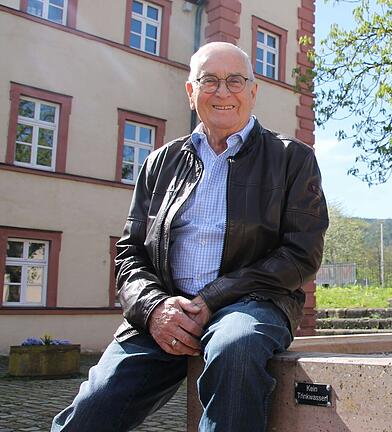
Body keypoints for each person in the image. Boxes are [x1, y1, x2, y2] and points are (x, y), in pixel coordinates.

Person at [52, 42, 328, 431]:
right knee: (94, 407)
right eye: (209, 81)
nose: (222, 92)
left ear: (253, 91)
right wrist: (154, 308)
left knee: (235, 347)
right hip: (165, 313)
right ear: (190, 91)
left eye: (235, 81)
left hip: (251, 306)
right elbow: (129, 253)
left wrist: (212, 297)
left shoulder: (292, 158)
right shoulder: (159, 162)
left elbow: (301, 255)